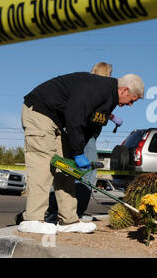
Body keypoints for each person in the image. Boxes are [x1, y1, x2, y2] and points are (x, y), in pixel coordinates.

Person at [18, 71, 144, 234]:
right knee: (43, 166)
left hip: (56, 121)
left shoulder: (110, 98)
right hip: (40, 112)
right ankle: (33, 219)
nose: (131, 104)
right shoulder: (97, 88)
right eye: (132, 100)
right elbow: (75, 116)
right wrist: (78, 152)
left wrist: (78, 152)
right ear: (124, 91)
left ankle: (68, 220)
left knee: (66, 168)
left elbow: (90, 125)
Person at [45, 62, 124, 224]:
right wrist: (111, 117)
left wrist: (111, 117)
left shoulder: (89, 87)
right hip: (84, 138)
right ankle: (74, 213)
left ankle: (54, 211)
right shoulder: (100, 90)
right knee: (86, 176)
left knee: (67, 173)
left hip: (77, 137)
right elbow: (90, 111)